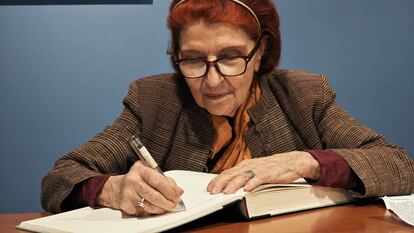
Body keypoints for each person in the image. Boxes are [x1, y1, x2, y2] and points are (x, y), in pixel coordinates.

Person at [41, 0, 414, 217]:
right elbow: (60, 178)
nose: (213, 80)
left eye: (232, 57)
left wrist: (305, 161)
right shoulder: (153, 99)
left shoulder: (304, 94)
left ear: (260, 52)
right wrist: (112, 189)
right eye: (193, 60)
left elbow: (400, 166)